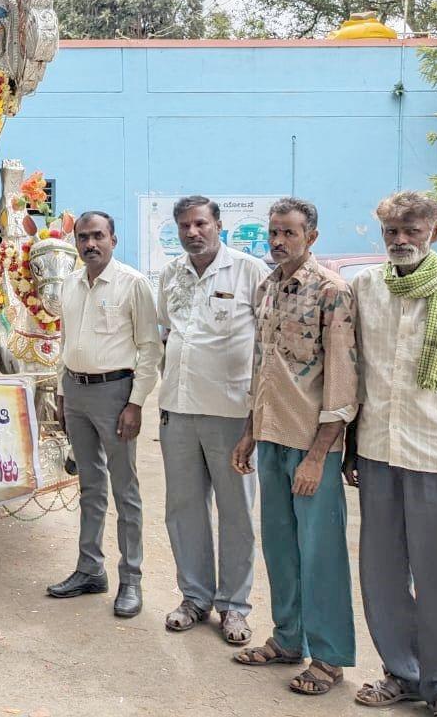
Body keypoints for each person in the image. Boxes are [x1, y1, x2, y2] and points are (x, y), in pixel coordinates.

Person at [347, 192, 437, 717]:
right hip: (378, 450)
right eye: (392, 231)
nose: (401, 240)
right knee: (382, 573)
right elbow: (358, 375)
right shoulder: (366, 286)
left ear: (435, 231)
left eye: (412, 230)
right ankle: (402, 673)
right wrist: (350, 448)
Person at [231, 197, 357, 696]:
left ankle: (328, 658)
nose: (279, 241)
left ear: (312, 237)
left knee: (321, 554)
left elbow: (342, 385)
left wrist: (318, 456)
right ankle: (288, 640)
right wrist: (249, 431)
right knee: (281, 549)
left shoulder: (332, 292)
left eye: (289, 233)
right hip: (271, 438)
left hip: (311, 446)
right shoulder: (268, 287)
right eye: (274, 232)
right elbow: (261, 368)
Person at [156, 196, 266, 645]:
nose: (192, 232)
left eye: (201, 223)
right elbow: (166, 329)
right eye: (184, 225)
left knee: (236, 512)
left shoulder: (249, 271)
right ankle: (194, 598)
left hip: (232, 413)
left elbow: (267, 340)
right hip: (178, 409)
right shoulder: (171, 274)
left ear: (219, 225)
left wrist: (257, 416)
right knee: (183, 510)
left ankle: (234, 606)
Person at [48, 210, 161, 618]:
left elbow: (150, 348)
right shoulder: (70, 283)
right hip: (76, 392)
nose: (90, 244)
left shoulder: (133, 284)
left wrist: (136, 403)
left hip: (116, 394)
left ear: (113, 239)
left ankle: (131, 579)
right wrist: (63, 394)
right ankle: (90, 569)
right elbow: (65, 342)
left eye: (98, 236)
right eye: (83, 237)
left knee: (125, 490)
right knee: (90, 487)